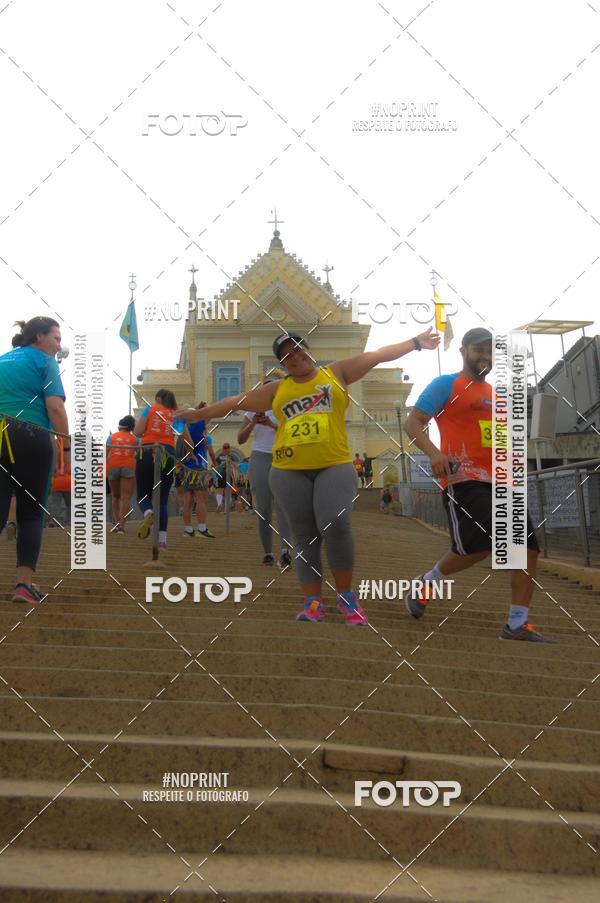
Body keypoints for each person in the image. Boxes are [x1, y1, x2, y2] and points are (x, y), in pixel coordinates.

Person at [176, 327, 440, 625]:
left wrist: (416, 343)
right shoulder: (277, 389)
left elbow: (375, 356)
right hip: (288, 470)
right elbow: (237, 402)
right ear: (282, 364)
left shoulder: (335, 373)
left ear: (308, 349)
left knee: (337, 523)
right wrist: (199, 414)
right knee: (304, 536)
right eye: (287, 354)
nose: (295, 356)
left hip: (334, 464)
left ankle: (346, 597)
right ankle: (313, 602)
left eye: (298, 348)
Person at [403, 327, 556, 643]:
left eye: (490, 351)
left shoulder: (498, 397)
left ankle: (517, 623)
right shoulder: (448, 384)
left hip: (503, 484)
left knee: (527, 550)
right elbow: (412, 422)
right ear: (463, 351)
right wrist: (434, 453)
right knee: (481, 544)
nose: (484, 356)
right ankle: (427, 581)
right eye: (478, 349)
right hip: (464, 480)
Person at [0, 317, 68, 603]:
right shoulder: (45, 360)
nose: (59, 344)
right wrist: (64, 444)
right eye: (56, 337)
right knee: (30, 513)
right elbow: (54, 406)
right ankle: (23, 585)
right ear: (39, 336)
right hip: (31, 435)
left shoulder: (3, 360)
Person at [237, 372, 292, 568]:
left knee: (283, 505)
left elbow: (290, 433)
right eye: (266, 388)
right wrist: (253, 423)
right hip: (259, 456)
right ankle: (268, 552)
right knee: (264, 508)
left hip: (282, 455)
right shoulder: (252, 410)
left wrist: (270, 423)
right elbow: (240, 439)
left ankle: (286, 549)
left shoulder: (285, 408)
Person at [134, 389, 188, 550]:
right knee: (162, 499)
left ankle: (147, 512)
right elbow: (185, 438)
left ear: (158, 398)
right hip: (168, 454)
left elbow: (137, 432)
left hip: (148, 450)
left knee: (143, 494)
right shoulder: (176, 414)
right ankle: (162, 541)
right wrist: (191, 453)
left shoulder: (149, 409)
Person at [179, 402, 217, 539]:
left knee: (188, 499)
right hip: (197, 466)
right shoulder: (198, 424)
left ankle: (188, 530)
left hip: (186, 467)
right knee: (200, 498)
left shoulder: (185, 427)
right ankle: (202, 528)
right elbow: (211, 414)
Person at [106, 415, 139, 533]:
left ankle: (117, 523)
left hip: (113, 466)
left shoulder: (111, 437)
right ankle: (122, 526)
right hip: (128, 466)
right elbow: (139, 454)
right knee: (125, 498)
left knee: (115, 496)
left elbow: (105, 454)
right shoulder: (135, 439)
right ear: (131, 427)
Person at [48, 436, 71, 528]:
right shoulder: (70, 449)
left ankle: (52, 521)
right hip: (68, 483)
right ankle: (69, 522)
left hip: (55, 481)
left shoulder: (52, 444)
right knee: (70, 504)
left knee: (55, 503)